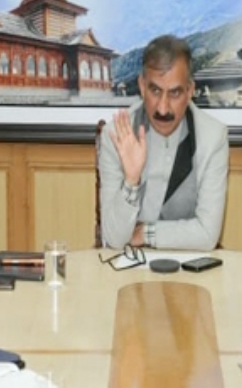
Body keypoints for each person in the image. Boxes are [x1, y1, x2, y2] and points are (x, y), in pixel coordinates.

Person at [99, 34, 229, 251]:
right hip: (130, 265)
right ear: (142, 86)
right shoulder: (115, 136)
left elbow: (207, 235)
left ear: (189, 91)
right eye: (155, 91)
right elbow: (114, 238)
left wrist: (146, 232)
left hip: (189, 263)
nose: (162, 108)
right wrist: (131, 181)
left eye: (175, 93)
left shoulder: (213, 138)